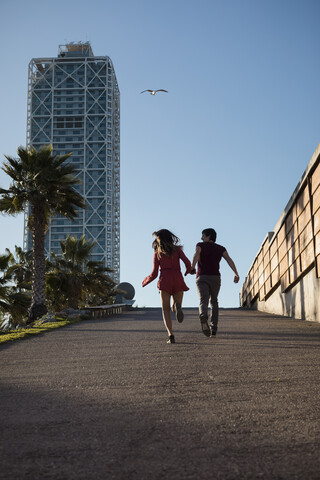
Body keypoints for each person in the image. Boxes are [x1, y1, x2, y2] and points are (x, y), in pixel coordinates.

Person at [142, 229, 192, 344]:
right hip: (178, 278)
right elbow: (187, 263)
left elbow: (154, 274)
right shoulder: (178, 250)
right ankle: (177, 306)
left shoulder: (157, 254)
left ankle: (171, 335)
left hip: (165, 280)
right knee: (176, 305)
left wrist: (145, 281)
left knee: (165, 310)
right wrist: (188, 271)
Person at [190, 228, 239, 337]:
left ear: (208, 236)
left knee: (203, 300)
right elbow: (229, 260)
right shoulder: (220, 248)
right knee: (214, 302)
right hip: (215, 278)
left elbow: (196, 254)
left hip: (202, 277)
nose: (201, 238)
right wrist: (236, 273)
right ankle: (214, 329)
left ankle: (203, 315)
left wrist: (192, 266)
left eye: (203, 235)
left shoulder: (200, 245)